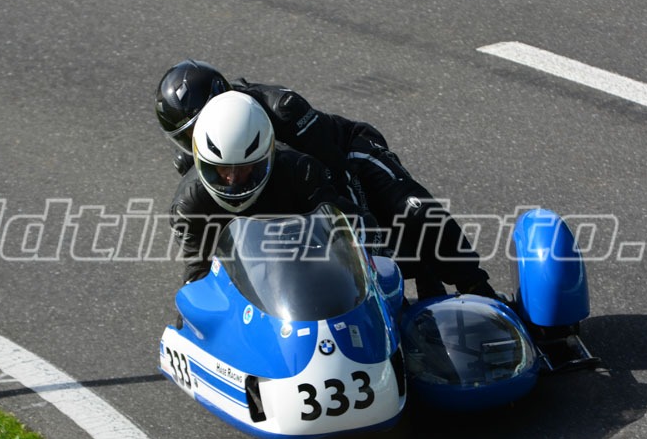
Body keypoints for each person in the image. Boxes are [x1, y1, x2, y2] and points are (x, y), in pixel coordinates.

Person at [155, 59, 497, 299]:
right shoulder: (207, 155)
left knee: (411, 209)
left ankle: (477, 287)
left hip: (345, 157)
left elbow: (339, 177)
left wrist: (366, 248)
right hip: (284, 175)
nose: (195, 142)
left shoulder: (284, 110)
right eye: (185, 138)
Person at [169, 90, 372, 287]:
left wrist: (361, 254)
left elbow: (350, 225)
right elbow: (198, 275)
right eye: (222, 168)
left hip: (310, 276)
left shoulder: (300, 171)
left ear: (265, 156)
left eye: (243, 167)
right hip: (241, 290)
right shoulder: (188, 205)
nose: (232, 178)